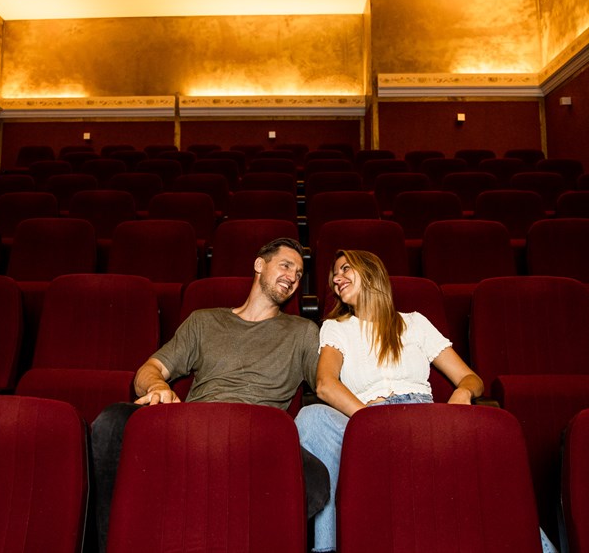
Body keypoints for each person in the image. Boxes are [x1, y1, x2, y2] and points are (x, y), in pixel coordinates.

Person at [296, 249, 558, 553]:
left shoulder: (414, 323)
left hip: (424, 420)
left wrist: (463, 392)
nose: (336, 279)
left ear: (370, 273)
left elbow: (471, 378)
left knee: (488, 478)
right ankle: (328, 547)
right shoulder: (336, 328)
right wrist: (372, 424)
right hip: (367, 420)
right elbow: (326, 385)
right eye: (334, 275)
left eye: (345, 269)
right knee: (312, 418)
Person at [90, 237, 328, 553]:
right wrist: (158, 387)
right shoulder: (204, 320)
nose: (292, 278)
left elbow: (328, 384)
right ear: (259, 265)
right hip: (193, 426)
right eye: (285, 266)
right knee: (112, 421)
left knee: (315, 477)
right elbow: (150, 369)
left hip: (255, 433)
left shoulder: (303, 332)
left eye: (298, 274)